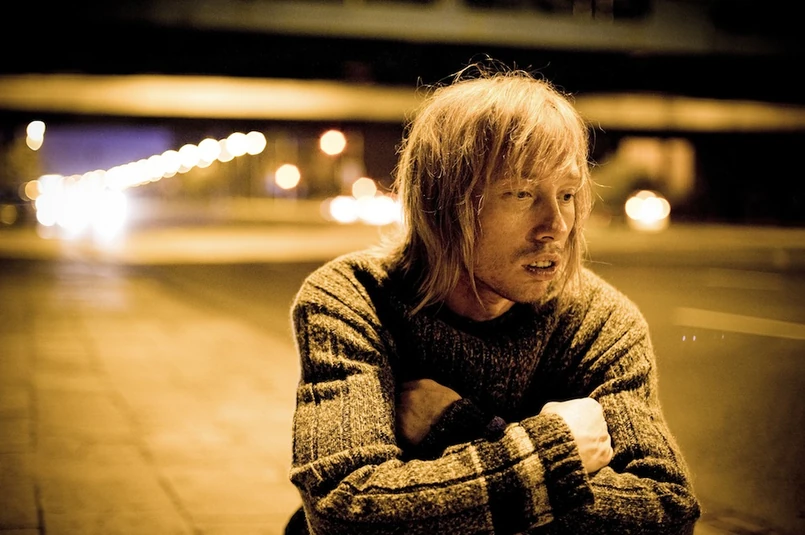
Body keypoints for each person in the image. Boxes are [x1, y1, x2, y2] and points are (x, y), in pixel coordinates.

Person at [285, 62, 701, 534]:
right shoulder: (353, 299)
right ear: (444, 204)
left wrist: (464, 428)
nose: (556, 226)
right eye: (522, 194)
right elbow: (345, 511)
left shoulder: (599, 321)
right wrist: (555, 455)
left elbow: (667, 511)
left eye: (567, 194)